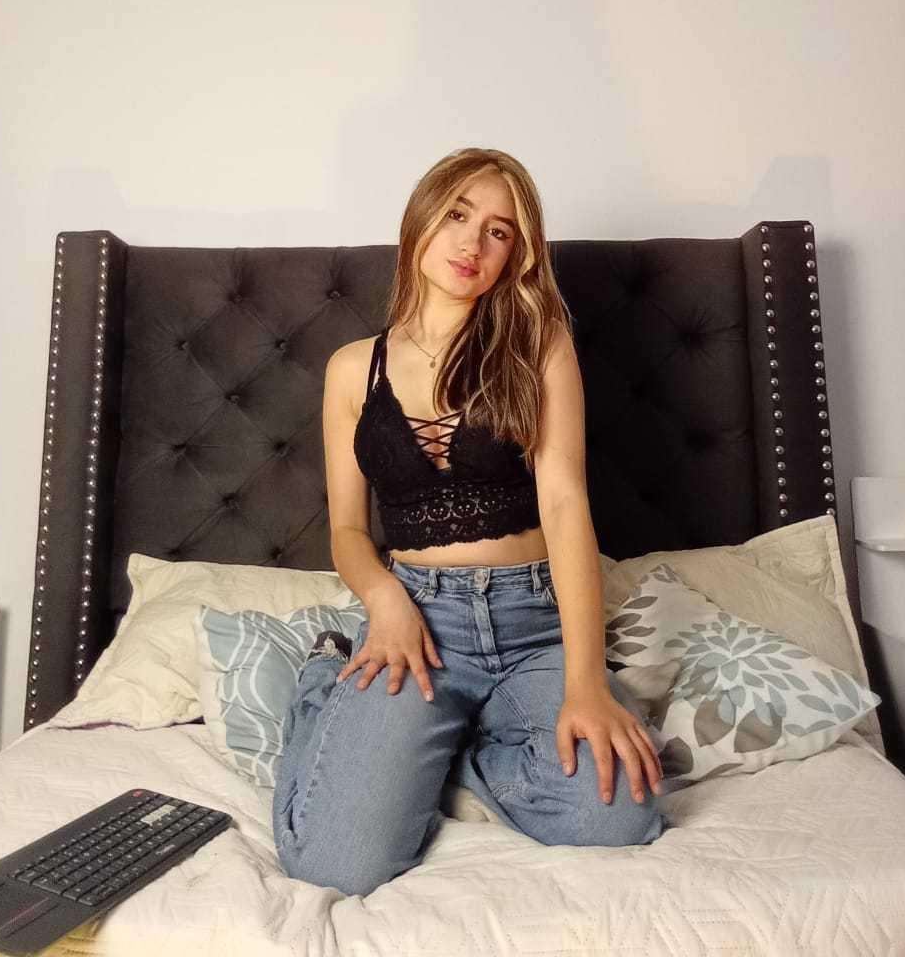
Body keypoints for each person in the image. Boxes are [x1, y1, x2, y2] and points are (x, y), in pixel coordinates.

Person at [272, 147, 669, 895]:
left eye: (499, 231)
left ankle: (447, 759)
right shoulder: (353, 368)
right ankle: (326, 686)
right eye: (458, 215)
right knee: (335, 865)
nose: (472, 243)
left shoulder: (537, 345)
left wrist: (587, 683)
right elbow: (349, 532)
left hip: (536, 626)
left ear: (516, 255)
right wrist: (385, 601)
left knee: (618, 814)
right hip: (418, 625)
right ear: (422, 218)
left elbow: (565, 505)